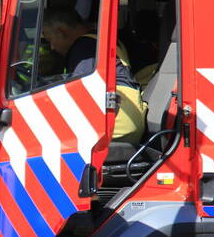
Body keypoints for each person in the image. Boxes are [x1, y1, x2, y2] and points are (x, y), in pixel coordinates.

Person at [40, 8, 145, 144]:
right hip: (126, 122)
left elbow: (80, 95)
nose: (52, 47)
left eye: (50, 40)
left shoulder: (84, 48)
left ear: (62, 31)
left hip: (115, 125)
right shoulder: (99, 40)